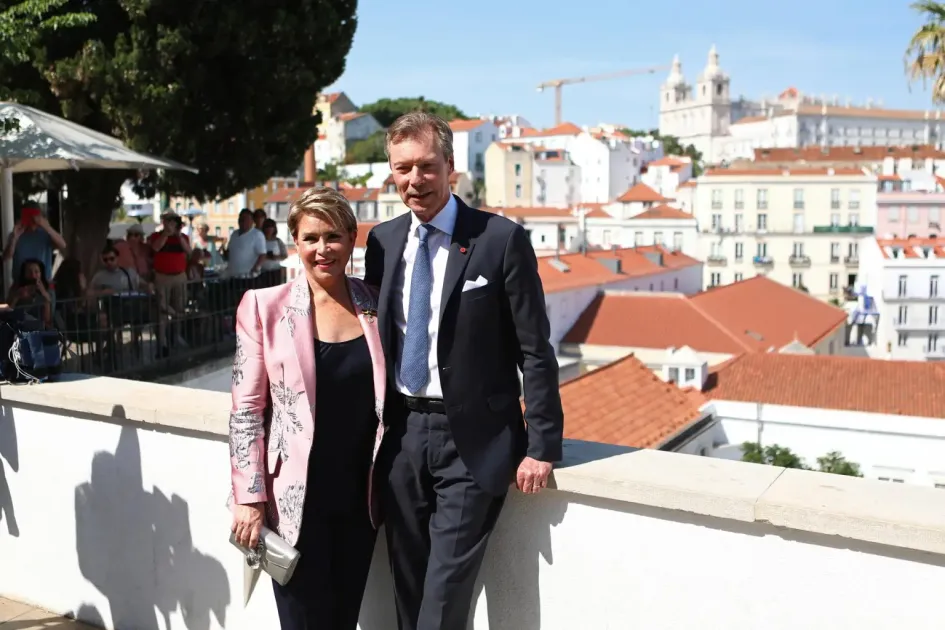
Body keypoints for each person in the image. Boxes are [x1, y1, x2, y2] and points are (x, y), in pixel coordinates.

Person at [364, 111, 564, 630]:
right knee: (408, 592)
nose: (414, 181)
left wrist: (542, 445)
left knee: (443, 601)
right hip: (401, 438)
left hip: (473, 443)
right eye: (402, 168)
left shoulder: (499, 240)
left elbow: (535, 351)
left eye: (427, 167)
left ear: (450, 166)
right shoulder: (382, 243)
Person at [229, 187, 390, 630]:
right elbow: (245, 412)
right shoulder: (264, 307)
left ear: (352, 240)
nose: (323, 249)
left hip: (361, 500)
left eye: (334, 236)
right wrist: (250, 498)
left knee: (343, 620)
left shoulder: (375, 304)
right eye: (312, 237)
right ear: (295, 242)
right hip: (293, 506)